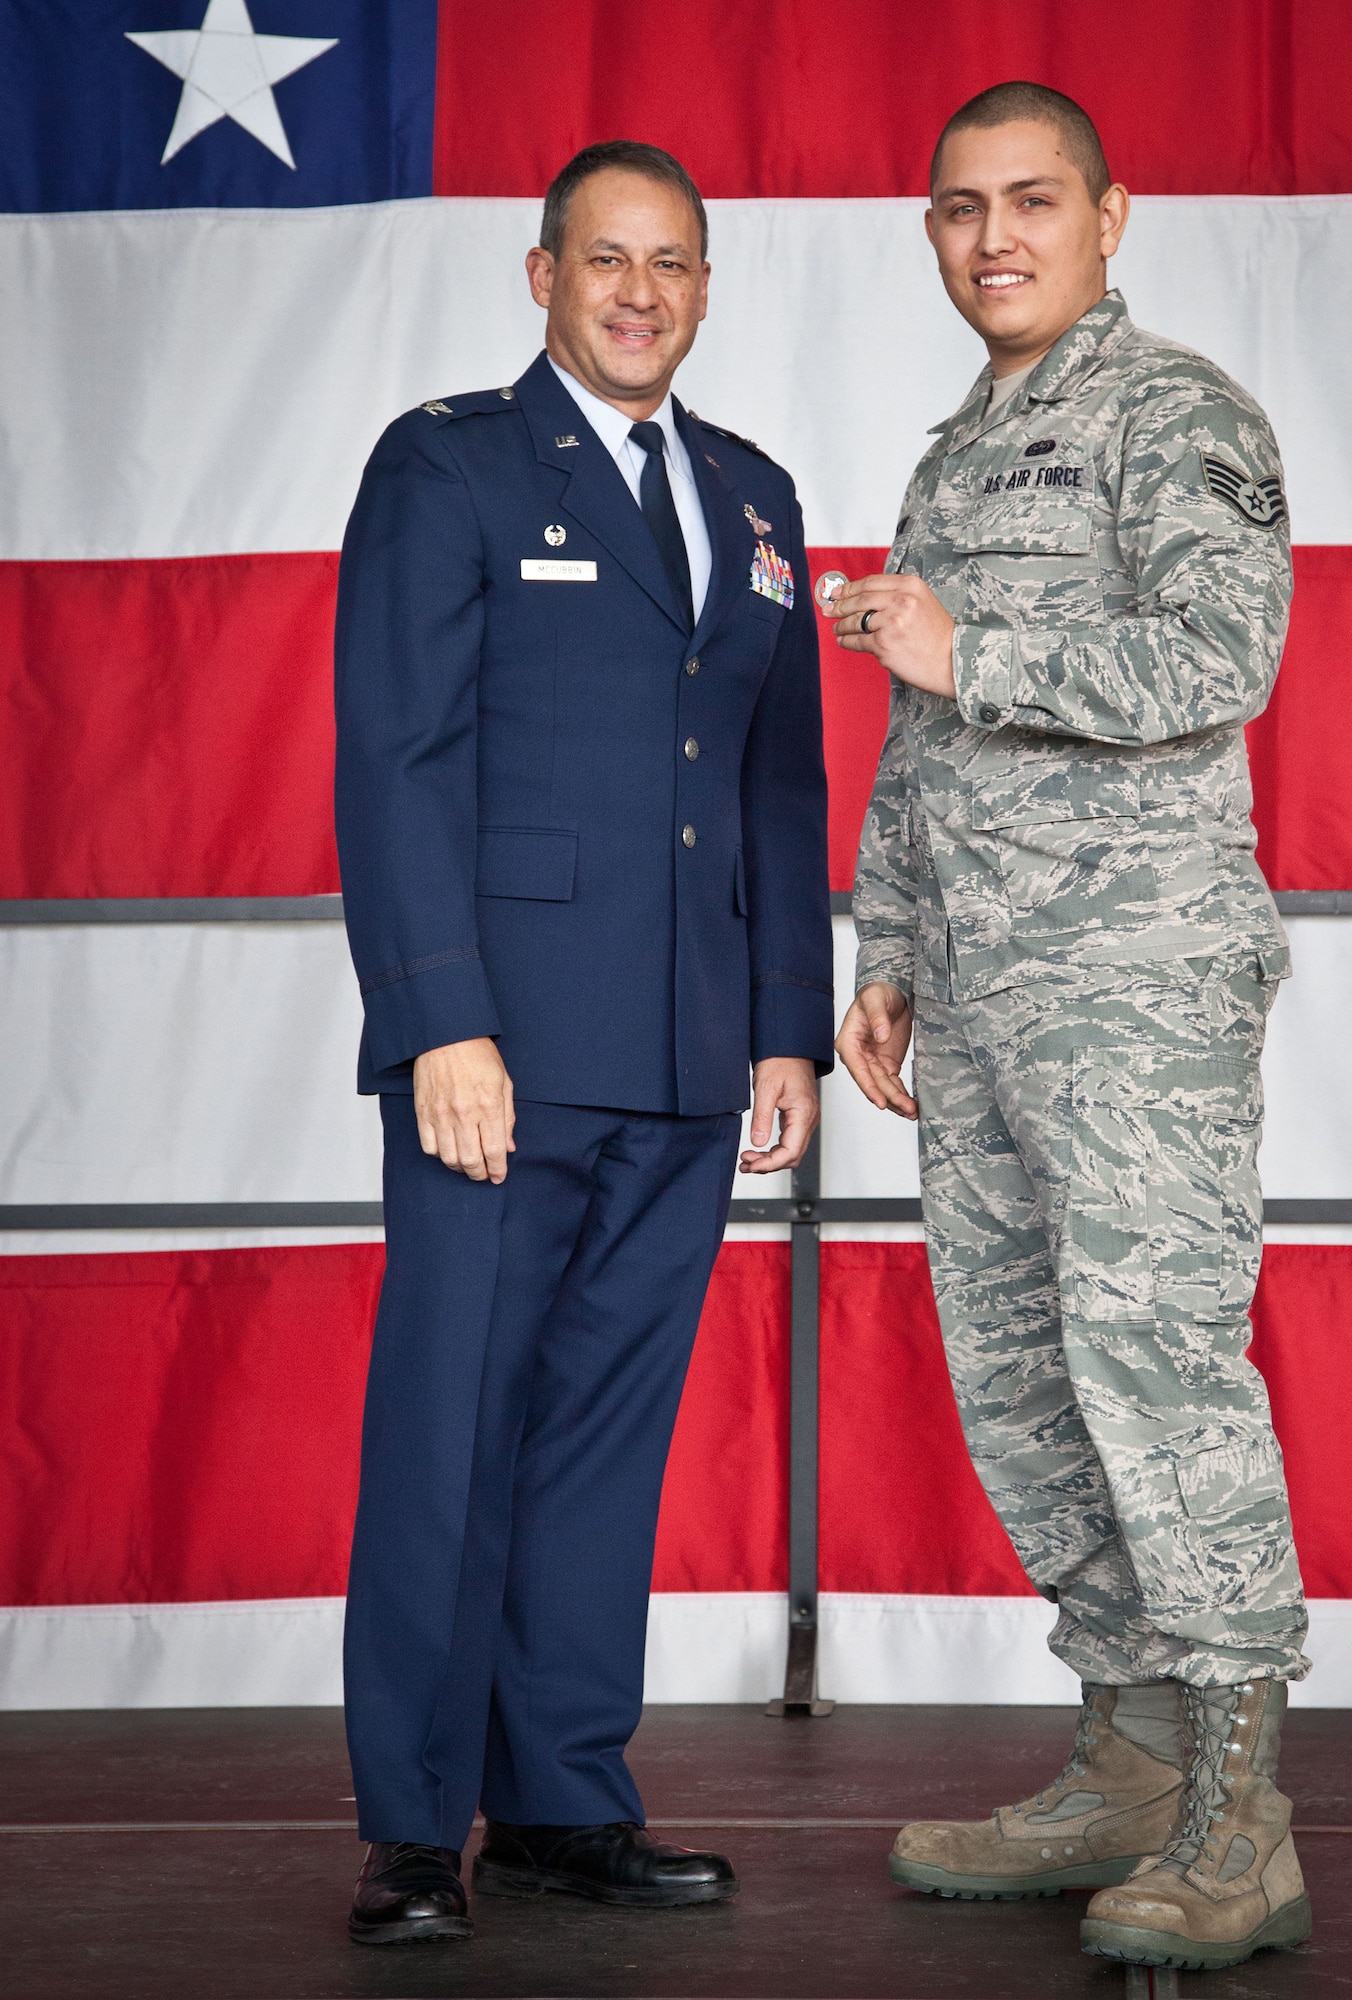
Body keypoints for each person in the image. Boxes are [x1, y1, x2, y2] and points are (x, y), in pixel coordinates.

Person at [828, 83, 1311, 1973]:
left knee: (1158, 1375)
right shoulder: (961, 454)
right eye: (960, 209)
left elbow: (1224, 659)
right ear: (932, 235)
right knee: (1023, 1378)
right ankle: (1125, 1764)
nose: (994, 236)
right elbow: (916, 732)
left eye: (1033, 201)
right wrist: (888, 949)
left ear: (1115, 216)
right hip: (989, 989)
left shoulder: (1176, 412)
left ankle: (1238, 1811)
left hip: (1138, 990)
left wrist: (982, 650)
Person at [333, 140, 832, 1946]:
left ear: (705, 287)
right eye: (606, 260)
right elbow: (392, 759)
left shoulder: (756, 495)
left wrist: (787, 1029)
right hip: (506, 1057)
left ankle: (558, 1796)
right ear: (539, 276)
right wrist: (437, 1017)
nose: (641, 293)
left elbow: (779, 779)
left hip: (695, 1059)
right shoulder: (450, 463)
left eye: (673, 263)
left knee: (602, 1447)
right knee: (450, 1432)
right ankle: (411, 1825)